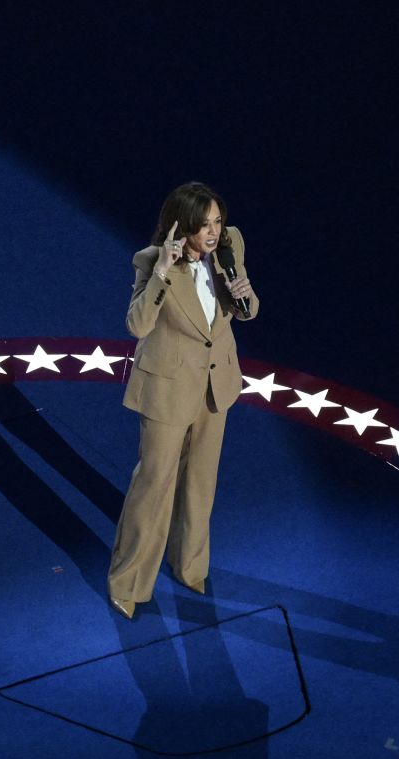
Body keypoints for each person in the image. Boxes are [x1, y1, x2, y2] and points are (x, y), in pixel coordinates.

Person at [108, 182, 259, 619]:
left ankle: (189, 564)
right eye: (203, 225)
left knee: (201, 483)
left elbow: (245, 312)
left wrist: (245, 296)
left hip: (216, 387)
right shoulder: (153, 262)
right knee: (154, 485)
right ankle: (129, 581)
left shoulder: (231, 245)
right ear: (181, 227)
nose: (213, 233)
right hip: (169, 389)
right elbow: (137, 325)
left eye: (217, 222)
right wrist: (161, 273)